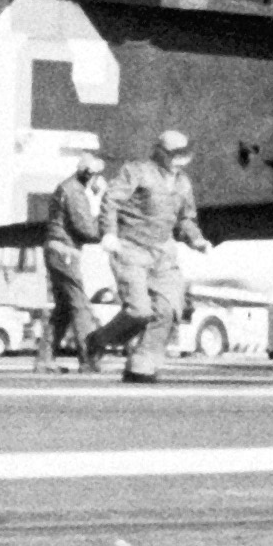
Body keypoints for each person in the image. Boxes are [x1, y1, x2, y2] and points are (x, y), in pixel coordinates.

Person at [84, 129, 207, 382]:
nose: (181, 160)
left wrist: (196, 239)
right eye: (175, 154)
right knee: (139, 311)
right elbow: (111, 200)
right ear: (160, 153)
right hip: (131, 248)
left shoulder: (183, 183)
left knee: (167, 309)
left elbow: (185, 218)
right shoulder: (137, 171)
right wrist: (108, 233)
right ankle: (99, 340)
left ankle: (141, 365)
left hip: (163, 252)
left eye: (184, 154)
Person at [38, 151, 107, 373]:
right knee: (79, 305)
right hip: (65, 253)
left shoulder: (67, 187)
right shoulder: (75, 192)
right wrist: (105, 210)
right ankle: (87, 358)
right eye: (97, 175)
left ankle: (44, 359)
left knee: (64, 309)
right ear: (89, 175)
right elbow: (86, 229)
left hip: (56, 252)